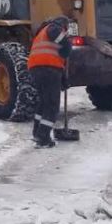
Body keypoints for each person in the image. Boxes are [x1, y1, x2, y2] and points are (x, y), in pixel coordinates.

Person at [28, 15, 73, 147]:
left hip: (36, 69)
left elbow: (57, 57)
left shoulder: (41, 32)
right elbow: (60, 41)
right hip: (49, 68)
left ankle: (37, 133)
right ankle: (43, 138)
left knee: (43, 102)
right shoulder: (54, 28)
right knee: (52, 105)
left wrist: (63, 79)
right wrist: (67, 44)